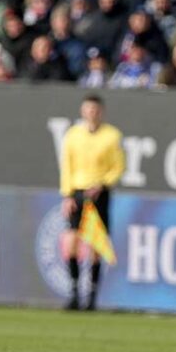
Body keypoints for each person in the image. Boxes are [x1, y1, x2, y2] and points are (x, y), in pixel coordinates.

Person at [59, 94, 125, 311]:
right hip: (77, 191)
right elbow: (67, 167)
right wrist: (67, 195)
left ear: (101, 112)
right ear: (82, 111)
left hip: (99, 193)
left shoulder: (112, 136)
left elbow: (118, 167)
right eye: (88, 109)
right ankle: (74, 292)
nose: (92, 113)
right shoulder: (73, 135)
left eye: (95, 110)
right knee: (71, 242)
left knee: (96, 244)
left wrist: (103, 183)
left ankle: (92, 297)